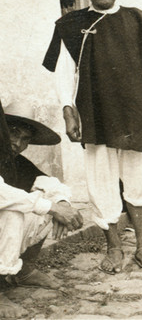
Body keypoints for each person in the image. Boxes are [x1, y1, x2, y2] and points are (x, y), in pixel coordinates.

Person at [42, 0, 142, 274]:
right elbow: (63, 73)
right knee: (101, 181)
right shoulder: (69, 25)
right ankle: (114, 248)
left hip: (134, 111)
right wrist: (68, 110)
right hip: (95, 112)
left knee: (139, 180)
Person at [0, 100, 83, 318]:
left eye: (25, 139)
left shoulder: (15, 161)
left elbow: (49, 183)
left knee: (47, 199)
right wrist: (51, 207)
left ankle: (25, 271)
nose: (17, 143)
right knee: (13, 211)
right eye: (13, 132)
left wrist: (61, 203)